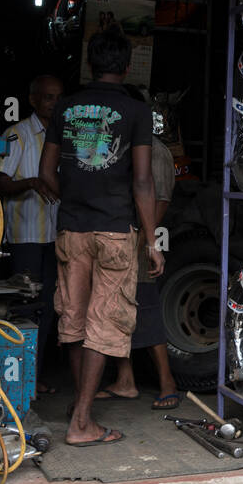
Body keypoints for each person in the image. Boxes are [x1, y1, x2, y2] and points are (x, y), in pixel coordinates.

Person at [40, 29, 164, 446]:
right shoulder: (135, 110)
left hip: (71, 230)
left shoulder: (66, 107)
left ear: (89, 65)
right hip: (114, 230)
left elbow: (45, 174)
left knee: (73, 321)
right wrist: (151, 239)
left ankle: (80, 406)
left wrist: (74, 199)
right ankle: (82, 422)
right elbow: (143, 182)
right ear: (127, 67)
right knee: (103, 322)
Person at [94, 87, 181, 410]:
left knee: (145, 309)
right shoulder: (128, 146)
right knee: (119, 311)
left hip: (140, 241)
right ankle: (126, 380)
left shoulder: (155, 151)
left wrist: (145, 242)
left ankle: (167, 382)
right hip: (125, 238)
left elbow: (160, 200)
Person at [0, 74, 62, 395]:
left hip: (53, 237)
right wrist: (34, 182)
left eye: (58, 98)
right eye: (48, 98)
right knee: (25, 307)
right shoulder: (18, 134)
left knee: (48, 307)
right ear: (34, 100)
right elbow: (0, 182)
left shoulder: (62, 135)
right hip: (25, 237)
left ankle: (33, 376)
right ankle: (17, 381)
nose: (54, 104)